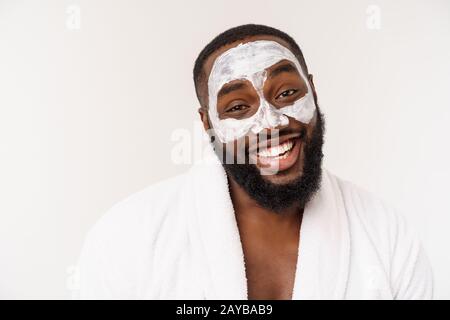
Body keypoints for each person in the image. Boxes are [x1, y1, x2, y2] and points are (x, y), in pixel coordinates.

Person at [78, 24, 433, 299]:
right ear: (207, 123)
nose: (272, 123)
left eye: (287, 93)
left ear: (312, 89)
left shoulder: (387, 236)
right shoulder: (127, 239)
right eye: (237, 107)